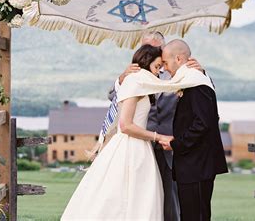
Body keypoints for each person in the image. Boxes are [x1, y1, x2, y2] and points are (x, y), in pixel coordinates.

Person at [60, 44, 213, 220]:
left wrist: (199, 73)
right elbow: (125, 124)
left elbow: (195, 88)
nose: (160, 71)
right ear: (145, 63)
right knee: (121, 197)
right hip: (134, 146)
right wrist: (158, 136)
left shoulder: (163, 81)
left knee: (161, 200)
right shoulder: (134, 81)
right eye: (157, 66)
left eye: (161, 65)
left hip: (159, 149)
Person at [108, 32, 204, 221]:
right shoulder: (133, 77)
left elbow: (200, 96)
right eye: (146, 48)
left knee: (169, 201)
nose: (150, 53)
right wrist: (121, 80)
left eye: (155, 49)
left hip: (169, 147)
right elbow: (114, 99)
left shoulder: (177, 73)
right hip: (137, 147)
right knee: (134, 200)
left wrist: (200, 73)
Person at [159, 39, 228, 221]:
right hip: (192, 165)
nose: (164, 68)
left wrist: (176, 144)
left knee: (195, 216)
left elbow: (203, 124)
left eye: (166, 62)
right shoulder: (190, 81)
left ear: (179, 58)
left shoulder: (196, 83)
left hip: (197, 165)